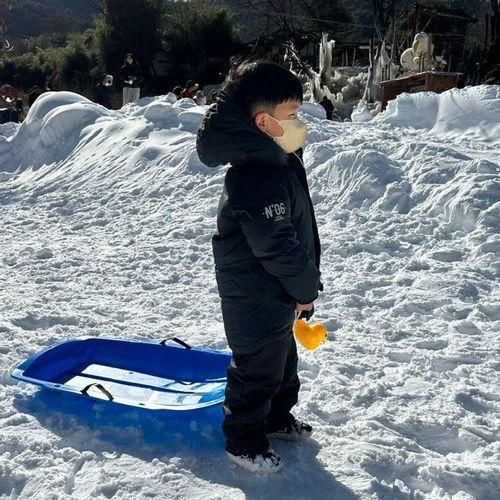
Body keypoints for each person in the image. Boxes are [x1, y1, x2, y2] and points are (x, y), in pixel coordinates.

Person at [196, 61, 322, 474]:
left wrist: (298, 294)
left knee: (283, 362)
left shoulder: (277, 160)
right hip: (253, 292)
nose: (299, 124)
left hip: (278, 291)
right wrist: (305, 288)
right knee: (257, 368)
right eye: (292, 117)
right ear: (264, 122)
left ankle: (275, 418)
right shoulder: (255, 175)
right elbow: (276, 247)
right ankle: (244, 439)